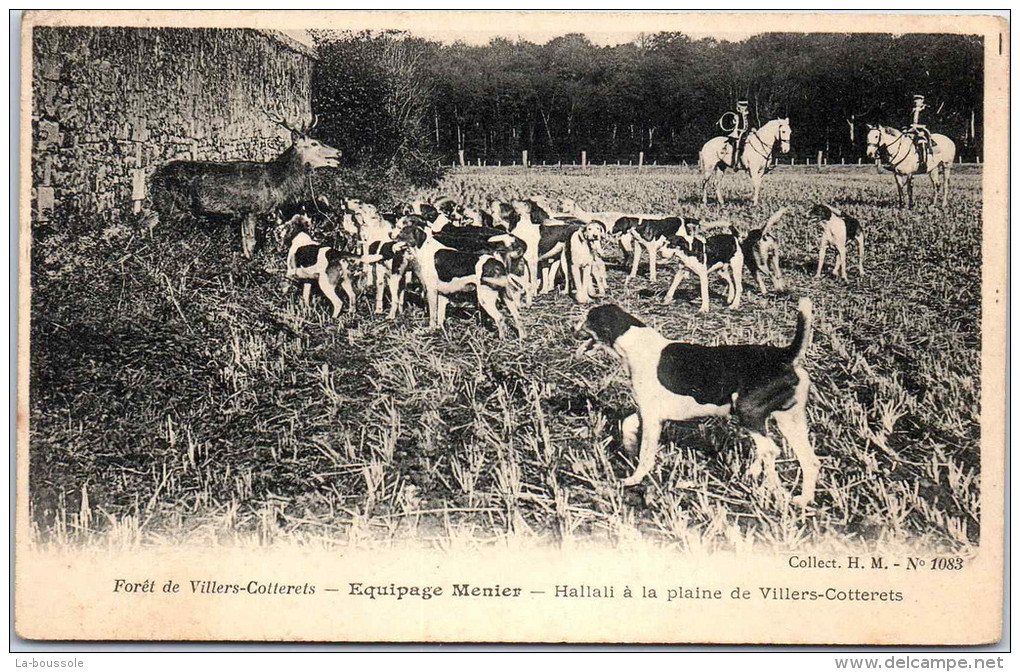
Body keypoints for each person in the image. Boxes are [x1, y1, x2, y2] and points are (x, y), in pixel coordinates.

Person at [720, 100, 751, 169]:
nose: (743, 107)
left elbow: (751, 124)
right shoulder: (735, 114)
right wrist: (733, 121)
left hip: (747, 133)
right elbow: (729, 124)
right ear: (738, 105)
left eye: (745, 105)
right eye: (742, 105)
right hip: (737, 133)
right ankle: (735, 162)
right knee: (738, 146)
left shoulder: (749, 114)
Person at [907, 94, 933, 167]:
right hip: (911, 130)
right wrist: (905, 128)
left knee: (921, 142)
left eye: (918, 100)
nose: (916, 102)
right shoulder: (912, 110)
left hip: (922, 130)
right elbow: (907, 121)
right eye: (915, 100)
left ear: (922, 100)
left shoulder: (926, 110)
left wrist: (923, 131)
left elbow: (930, 122)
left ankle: (923, 162)